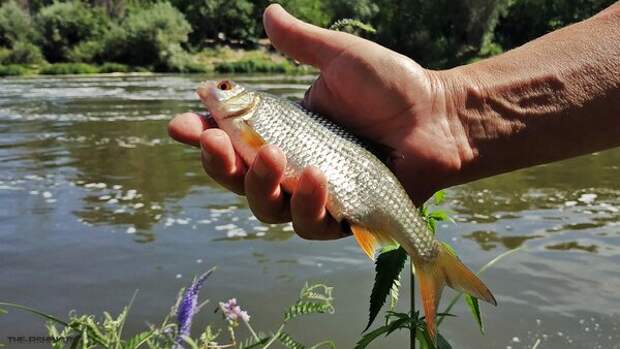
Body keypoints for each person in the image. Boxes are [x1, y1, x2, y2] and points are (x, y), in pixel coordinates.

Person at [168, 3, 620, 240]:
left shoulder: (251, 113)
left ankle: (426, 257)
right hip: (361, 171)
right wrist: (448, 112)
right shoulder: (247, 119)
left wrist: (448, 113)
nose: (214, 88)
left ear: (240, 99)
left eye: (224, 87)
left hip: (364, 169)